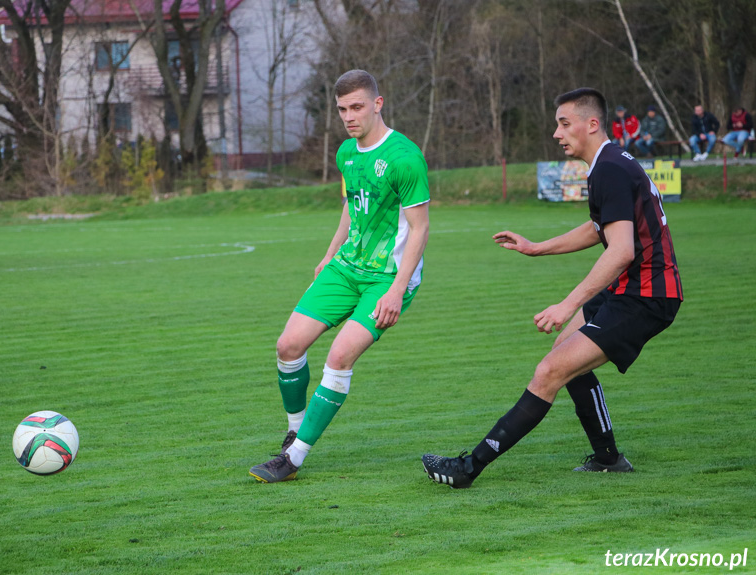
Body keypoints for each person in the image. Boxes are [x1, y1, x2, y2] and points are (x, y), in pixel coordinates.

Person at [421, 87, 682, 489]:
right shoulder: (610, 163)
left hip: (647, 294)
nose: (557, 133)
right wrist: (536, 248)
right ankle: (608, 459)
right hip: (635, 288)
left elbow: (620, 252)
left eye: (564, 123)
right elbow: (601, 228)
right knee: (564, 353)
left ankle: (468, 468)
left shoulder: (609, 168)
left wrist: (567, 303)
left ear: (591, 124)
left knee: (550, 370)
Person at [249, 69, 430, 483]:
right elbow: (351, 206)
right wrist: (327, 258)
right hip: (345, 267)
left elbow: (420, 228)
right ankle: (294, 430)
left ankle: (294, 458)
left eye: (357, 107)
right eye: (343, 109)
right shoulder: (346, 154)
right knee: (288, 345)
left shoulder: (404, 157)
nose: (349, 116)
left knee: (339, 356)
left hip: (387, 278)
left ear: (377, 104)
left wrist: (397, 292)